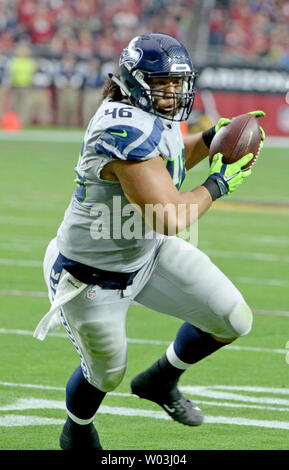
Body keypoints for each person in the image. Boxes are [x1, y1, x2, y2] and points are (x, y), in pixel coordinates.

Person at [34, 32, 265, 450]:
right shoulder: (121, 129)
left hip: (146, 252)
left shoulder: (151, 115)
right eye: (162, 84)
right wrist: (218, 184)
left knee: (234, 319)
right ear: (136, 82)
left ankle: (161, 378)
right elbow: (170, 215)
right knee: (105, 374)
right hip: (91, 277)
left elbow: (173, 158)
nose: (173, 92)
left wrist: (215, 137)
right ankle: (77, 429)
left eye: (178, 83)